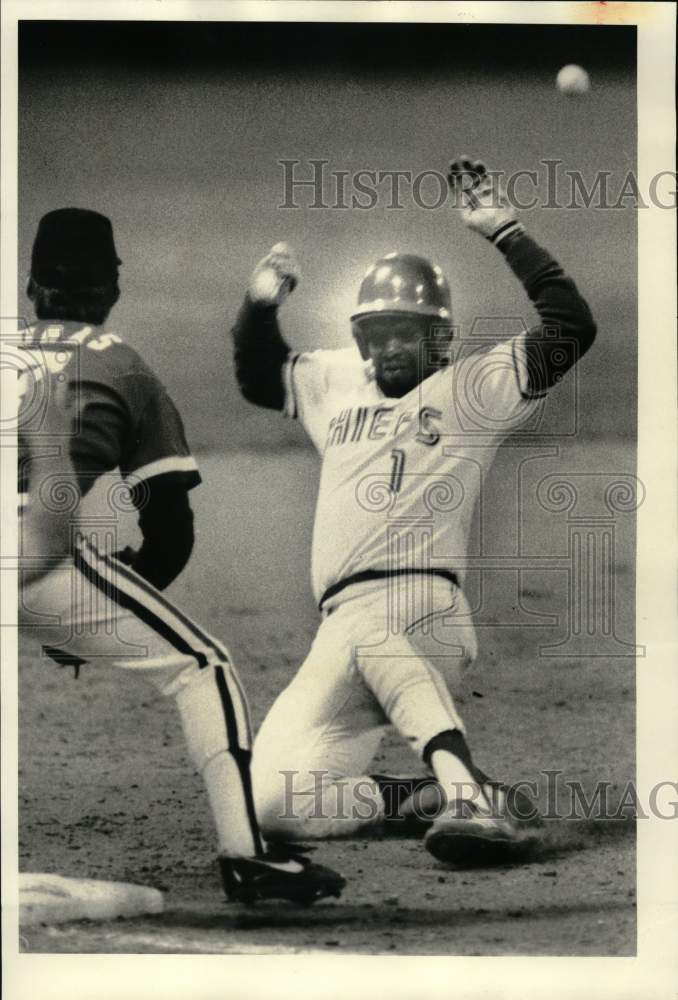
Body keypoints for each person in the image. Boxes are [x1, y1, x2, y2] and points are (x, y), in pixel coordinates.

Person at [231, 157, 597, 865]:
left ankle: (468, 795)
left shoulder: (475, 387)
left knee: (369, 621)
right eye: (380, 332)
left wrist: (506, 231)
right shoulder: (336, 382)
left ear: (441, 337)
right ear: (362, 338)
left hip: (425, 615)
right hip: (344, 631)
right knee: (272, 804)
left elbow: (570, 327)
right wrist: (258, 305)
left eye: (411, 330)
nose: (394, 344)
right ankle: (418, 796)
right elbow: (257, 375)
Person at [18, 208, 345, 904]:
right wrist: (83, 629)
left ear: (30, 285)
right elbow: (171, 532)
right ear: (111, 288)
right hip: (30, 552)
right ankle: (247, 858)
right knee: (202, 668)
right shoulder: (125, 368)